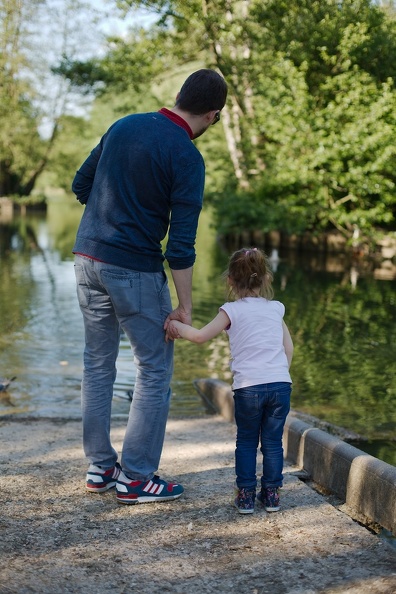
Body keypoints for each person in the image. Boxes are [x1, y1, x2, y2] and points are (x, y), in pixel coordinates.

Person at [72, 69, 228, 505]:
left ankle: (101, 468)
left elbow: (80, 185)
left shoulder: (123, 126)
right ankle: (137, 478)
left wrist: (114, 212)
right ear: (212, 115)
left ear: (179, 96)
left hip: (86, 260)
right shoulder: (186, 156)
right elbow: (180, 247)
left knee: (97, 363)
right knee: (154, 368)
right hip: (134, 269)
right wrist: (185, 305)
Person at [166, 248, 293, 514]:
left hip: (249, 388)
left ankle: (245, 496)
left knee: (246, 441)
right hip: (281, 384)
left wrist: (177, 328)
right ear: (266, 279)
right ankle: (271, 496)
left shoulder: (231, 311)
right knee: (272, 442)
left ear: (230, 281)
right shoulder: (275, 309)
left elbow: (201, 336)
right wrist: (279, 373)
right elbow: (288, 347)